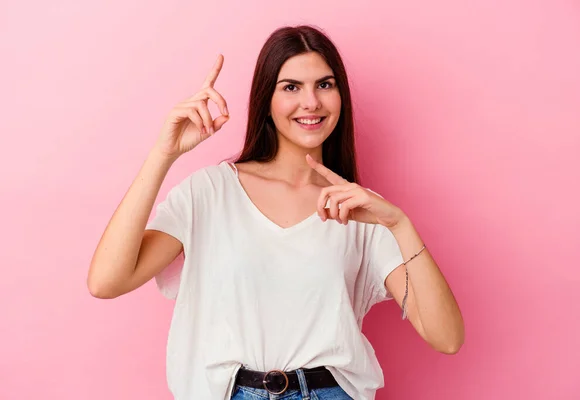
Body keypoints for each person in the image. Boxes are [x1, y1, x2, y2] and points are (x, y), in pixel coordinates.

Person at [87, 25, 464, 400]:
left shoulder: (360, 209)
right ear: (266, 98)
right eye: (291, 87)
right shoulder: (209, 192)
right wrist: (163, 154)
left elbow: (446, 338)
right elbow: (106, 282)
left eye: (325, 84)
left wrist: (399, 224)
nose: (311, 102)